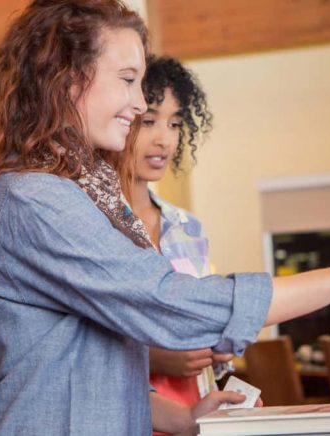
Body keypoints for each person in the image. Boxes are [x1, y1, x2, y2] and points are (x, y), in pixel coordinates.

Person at [0, 1, 330, 434]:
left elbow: (82, 366)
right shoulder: (32, 198)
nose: (140, 103)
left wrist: (182, 418)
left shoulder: (86, 194)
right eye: (127, 80)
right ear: (64, 78)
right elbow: (168, 303)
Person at [114, 55, 234, 430]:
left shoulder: (189, 228)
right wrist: (156, 358)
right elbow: (81, 340)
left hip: (197, 411)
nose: (164, 138)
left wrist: (219, 348)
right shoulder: (91, 223)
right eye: (148, 121)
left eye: (175, 123)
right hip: (123, 415)